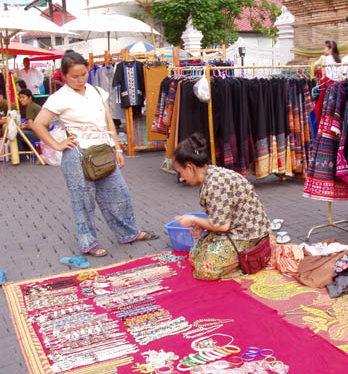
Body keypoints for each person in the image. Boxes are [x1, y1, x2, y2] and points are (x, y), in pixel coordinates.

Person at [31, 51, 158, 257]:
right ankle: (88, 242)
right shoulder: (59, 97)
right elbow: (38, 124)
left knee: (120, 193)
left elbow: (109, 122)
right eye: (74, 76)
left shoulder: (97, 91)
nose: (80, 80)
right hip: (78, 154)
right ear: (64, 76)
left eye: (83, 74)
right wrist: (57, 144)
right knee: (83, 201)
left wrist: (117, 148)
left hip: (103, 151)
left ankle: (128, 232)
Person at [174, 133, 270, 280]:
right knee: (194, 255)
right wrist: (198, 224)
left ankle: (242, 265)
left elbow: (223, 225)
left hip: (248, 234)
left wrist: (193, 219)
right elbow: (220, 216)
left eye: (181, 173)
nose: (181, 178)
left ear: (190, 167)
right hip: (237, 227)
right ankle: (231, 261)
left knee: (204, 270)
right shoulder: (210, 174)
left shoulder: (214, 184)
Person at [17, 88, 41, 158]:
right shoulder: (33, 105)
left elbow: (30, 126)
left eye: (23, 97)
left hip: (40, 135)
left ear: (30, 97)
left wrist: (23, 127)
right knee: (21, 132)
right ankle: (27, 155)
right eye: (20, 98)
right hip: (42, 132)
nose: (21, 100)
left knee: (17, 133)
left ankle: (22, 157)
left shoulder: (30, 107)